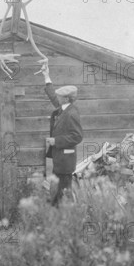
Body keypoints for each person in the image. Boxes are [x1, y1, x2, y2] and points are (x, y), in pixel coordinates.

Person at [40, 63, 83, 207]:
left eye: (59, 96)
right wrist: (46, 76)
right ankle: (60, 215)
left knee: (64, 191)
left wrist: (56, 140)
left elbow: (77, 136)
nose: (56, 97)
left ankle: (70, 216)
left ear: (65, 99)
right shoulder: (63, 109)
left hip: (66, 161)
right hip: (61, 159)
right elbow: (53, 96)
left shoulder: (71, 113)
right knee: (59, 191)